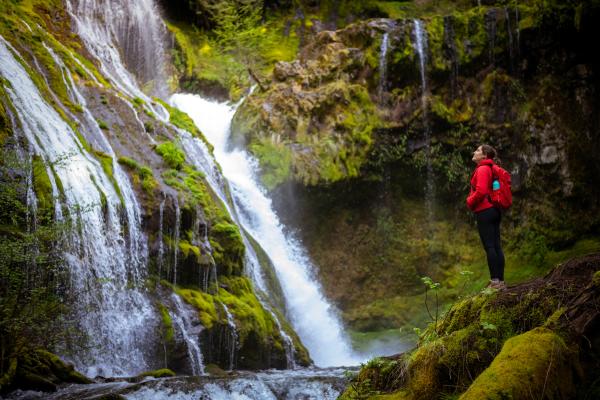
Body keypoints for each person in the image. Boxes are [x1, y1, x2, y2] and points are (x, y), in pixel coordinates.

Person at [466, 145, 506, 289]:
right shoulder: (490, 168)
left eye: (477, 150)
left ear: (484, 156)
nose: (474, 151)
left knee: (490, 246)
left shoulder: (482, 169)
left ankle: (495, 282)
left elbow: (481, 191)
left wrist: (469, 201)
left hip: (485, 211)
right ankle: (500, 282)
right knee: (496, 246)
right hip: (494, 210)